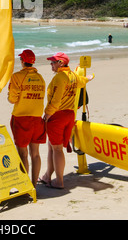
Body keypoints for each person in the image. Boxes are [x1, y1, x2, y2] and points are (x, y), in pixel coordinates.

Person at [41, 52, 94, 189]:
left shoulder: (60, 77)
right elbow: (83, 81)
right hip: (69, 115)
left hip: (57, 115)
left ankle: (59, 181)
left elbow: (56, 100)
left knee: (57, 149)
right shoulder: (73, 76)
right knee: (52, 146)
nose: (51, 64)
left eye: (53, 62)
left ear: (61, 63)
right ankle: (47, 176)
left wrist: (47, 114)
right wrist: (90, 77)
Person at [7, 49, 46, 187]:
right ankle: (34, 185)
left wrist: (9, 97)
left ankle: (24, 186)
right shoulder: (40, 78)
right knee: (35, 154)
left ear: (23, 61)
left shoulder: (17, 76)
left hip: (22, 118)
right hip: (37, 118)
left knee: (22, 154)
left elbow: (12, 99)